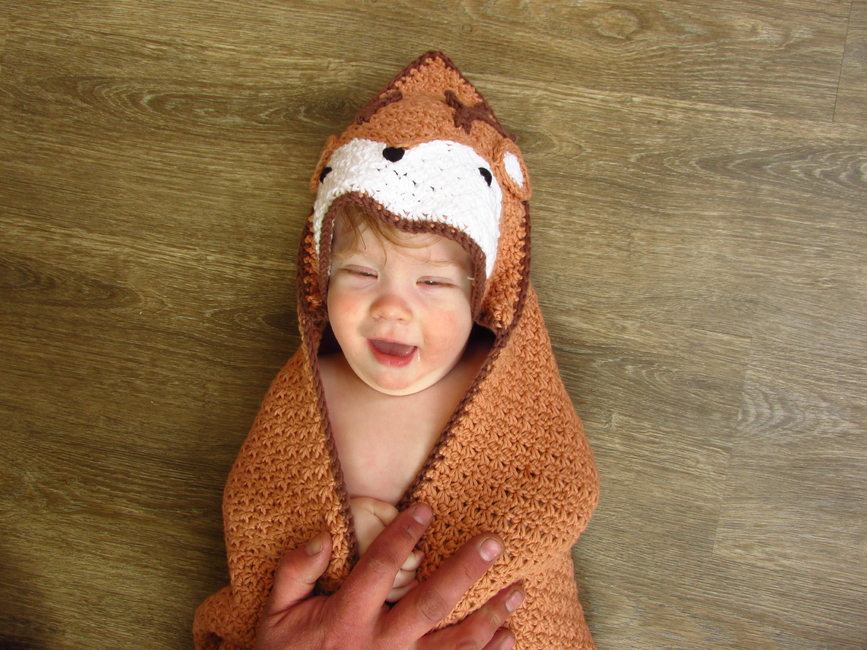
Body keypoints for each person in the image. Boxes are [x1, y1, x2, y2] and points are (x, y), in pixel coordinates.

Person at [194, 51, 599, 649]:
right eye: (361, 273)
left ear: (480, 298)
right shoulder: (312, 389)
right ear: (319, 280)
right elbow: (259, 504)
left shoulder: (497, 382)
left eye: (432, 282)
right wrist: (337, 541)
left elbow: (558, 487)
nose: (392, 307)